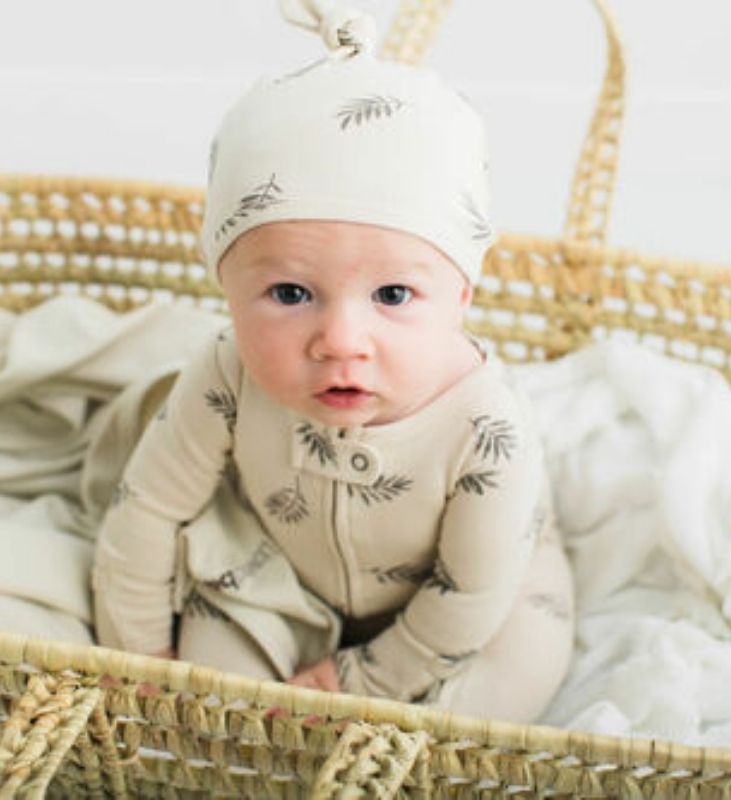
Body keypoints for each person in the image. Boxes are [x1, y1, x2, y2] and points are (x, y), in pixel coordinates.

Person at [92, 0, 574, 722]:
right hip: (276, 571)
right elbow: (148, 508)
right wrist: (137, 653)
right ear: (224, 285)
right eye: (290, 292)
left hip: (462, 603)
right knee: (208, 703)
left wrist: (364, 680)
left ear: (461, 295)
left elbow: (470, 593)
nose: (340, 339)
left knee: (511, 678)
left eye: (393, 294)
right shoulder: (228, 369)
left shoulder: (485, 427)